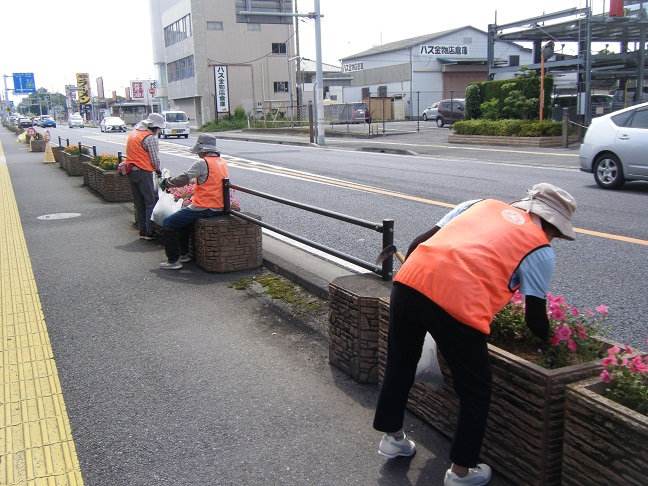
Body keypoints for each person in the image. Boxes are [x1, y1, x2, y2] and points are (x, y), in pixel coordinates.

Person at [373, 183, 577, 486]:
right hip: (458, 306)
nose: (553, 239)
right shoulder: (540, 250)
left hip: (409, 282)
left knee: (401, 362)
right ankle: (461, 471)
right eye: (556, 233)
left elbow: (417, 244)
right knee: (476, 390)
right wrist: (551, 344)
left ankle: (392, 438)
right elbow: (536, 318)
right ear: (551, 226)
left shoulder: (479, 204)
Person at [157, 134, 229, 270]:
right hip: (219, 205)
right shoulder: (222, 162)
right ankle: (184, 253)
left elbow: (184, 179)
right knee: (183, 222)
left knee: (168, 223)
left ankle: (173, 260)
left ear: (203, 149)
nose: (198, 154)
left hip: (204, 206)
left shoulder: (202, 163)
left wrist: (167, 182)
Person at [125, 113, 165, 240]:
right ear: (155, 127)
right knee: (149, 202)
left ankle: (142, 230)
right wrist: (158, 170)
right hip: (143, 171)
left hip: (131, 171)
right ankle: (149, 232)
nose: (159, 131)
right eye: (159, 128)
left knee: (139, 202)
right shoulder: (150, 138)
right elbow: (154, 159)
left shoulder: (134, 133)